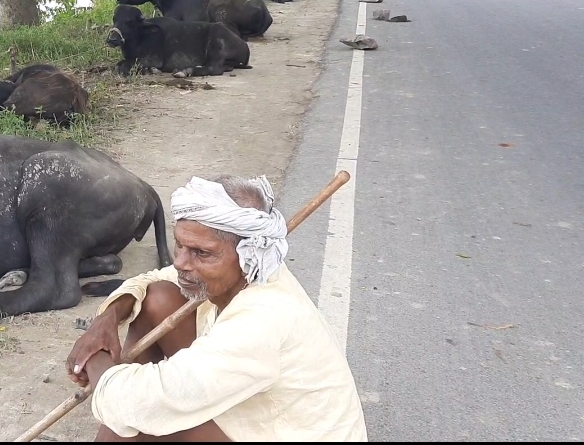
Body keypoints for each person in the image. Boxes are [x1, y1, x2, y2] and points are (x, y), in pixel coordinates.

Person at [66, 174, 368, 442]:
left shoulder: (261, 321)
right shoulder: (249, 268)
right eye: (180, 245)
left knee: (146, 418)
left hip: (280, 430)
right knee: (157, 298)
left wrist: (94, 360)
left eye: (201, 253)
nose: (182, 262)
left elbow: (136, 405)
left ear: (248, 254)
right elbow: (154, 278)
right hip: (254, 410)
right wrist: (104, 322)